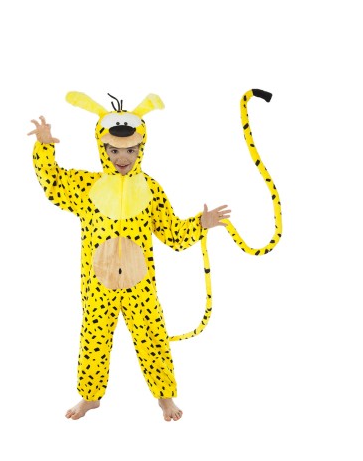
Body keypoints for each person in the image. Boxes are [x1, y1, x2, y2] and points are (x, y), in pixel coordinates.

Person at [28, 101, 231, 422]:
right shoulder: (86, 186)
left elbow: (172, 234)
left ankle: (165, 397)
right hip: (98, 284)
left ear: (141, 148)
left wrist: (200, 224)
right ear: (102, 148)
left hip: (140, 285)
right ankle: (90, 397)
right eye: (113, 151)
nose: (122, 158)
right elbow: (53, 185)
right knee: (94, 340)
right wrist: (44, 147)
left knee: (153, 337)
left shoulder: (150, 189)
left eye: (131, 151)